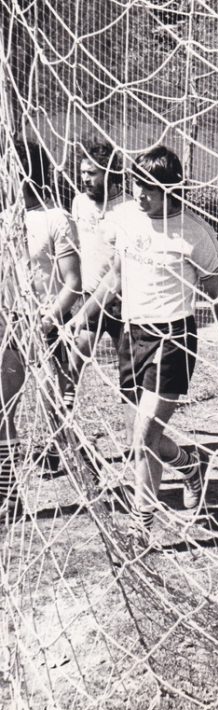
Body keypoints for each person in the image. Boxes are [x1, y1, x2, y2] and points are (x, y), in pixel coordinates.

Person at [70, 145, 218, 543]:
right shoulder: (127, 219)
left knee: (144, 436)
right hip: (133, 336)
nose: (140, 195)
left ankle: (141, 525)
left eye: (150, 188)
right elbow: (115, 278)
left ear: (171, 189)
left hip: (173, 338)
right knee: (141, 438)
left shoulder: (195, 233)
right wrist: (83, 315)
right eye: (137, 185)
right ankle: (191, 464)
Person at [0, 140, 81, 521]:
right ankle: (9, 497)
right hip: (11, 327)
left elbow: (73, 283)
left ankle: (87, 475)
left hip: (49, 329)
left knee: (57, 416)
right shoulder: (4, 219)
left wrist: (47, 320)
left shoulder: (55, 219)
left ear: (24, 172)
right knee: (3, 410)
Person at [70, 143, 132, 455]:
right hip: (88, 299)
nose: (85, 178)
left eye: (91, 173)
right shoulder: (79, 203)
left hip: (123, 302)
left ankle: (136, 443)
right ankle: (63, 438)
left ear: (109, 173)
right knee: (70, 365)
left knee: (129, 376)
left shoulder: (129, 209)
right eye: (82, 172)